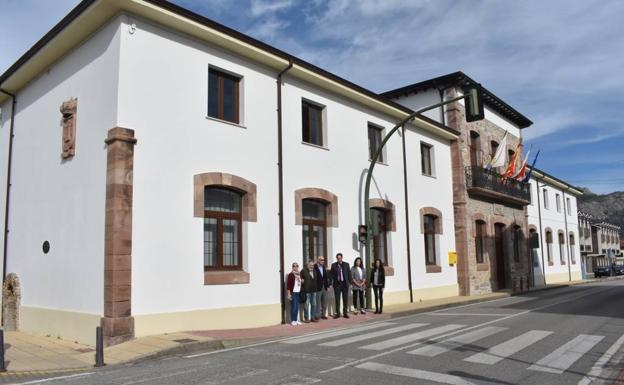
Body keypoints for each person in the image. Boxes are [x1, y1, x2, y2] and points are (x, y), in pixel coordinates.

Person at [331, 253, 351, 319]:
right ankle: (338, 313)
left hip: (345, 284)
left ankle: (345, 313)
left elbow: (349, 274)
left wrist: (350, 283)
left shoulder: (346, 264)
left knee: (345, 299)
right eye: (338, 258)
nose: (339, 259)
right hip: (337, 285)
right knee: (337, 299)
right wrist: (331, 284)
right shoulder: (334, 265)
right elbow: (332, 275)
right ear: (336, 258)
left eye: (340, 258)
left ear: (342, 258)